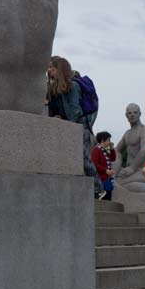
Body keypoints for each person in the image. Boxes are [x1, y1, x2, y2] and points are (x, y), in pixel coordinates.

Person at [47, 56, 98, 195]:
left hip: (79, 125)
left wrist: (66, 121)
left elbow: (75, 111)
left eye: (52, 68)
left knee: (83, 157)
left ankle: (98, 188)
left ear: (60, 70)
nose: (49, 70)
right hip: (69, 126)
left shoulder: (73, 86)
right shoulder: (54, 88)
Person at [91, 131, 117, 201]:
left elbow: (113, 158)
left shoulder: (104, 150)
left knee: (108, 199)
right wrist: (106, 171)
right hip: (100, 181)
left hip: (107, 180)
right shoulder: (96, 150)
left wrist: (112, 149)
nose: (110, 142)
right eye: (108, 140)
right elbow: (94, 164)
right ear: (102, 140)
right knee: (103, 200)